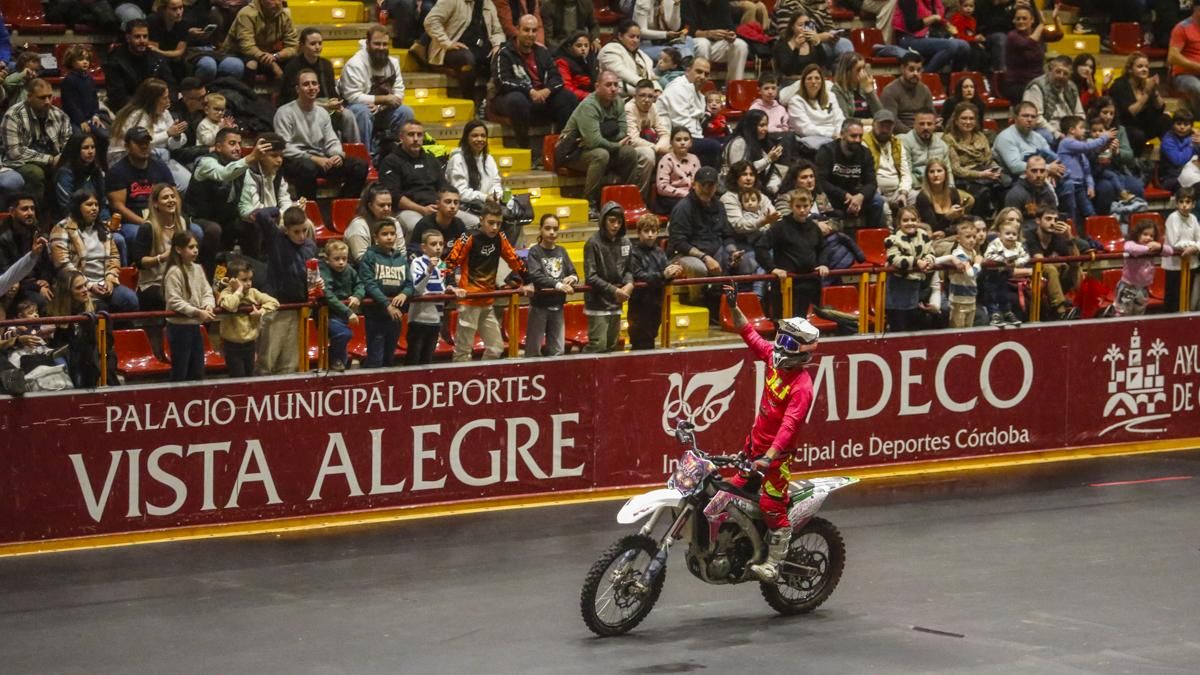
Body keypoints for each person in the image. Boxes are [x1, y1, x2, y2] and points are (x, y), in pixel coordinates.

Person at [721, 281, 820, 582]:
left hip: (775, 460)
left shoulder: (802, 387)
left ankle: (775, 563)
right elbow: (748, 333)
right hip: (753, 449)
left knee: (770, 505)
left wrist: (770, 456)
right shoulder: (773, 361)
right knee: (728, 492)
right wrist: (734, 305)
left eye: (788, 344)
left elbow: (789, 428)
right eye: (780, 339)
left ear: (802, 353)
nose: (779, 347)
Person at [559, 70, 655, 215]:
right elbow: (593, 142)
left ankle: (620, 198)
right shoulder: (589, 106)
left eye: (616, 85)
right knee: (601, 155)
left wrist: (603, 134)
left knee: (629, 152)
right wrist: (615, 143)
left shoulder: (618, 102)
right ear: (597, 86)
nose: (613, 88)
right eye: (608, 85)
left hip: (597, 147)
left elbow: (623, 131)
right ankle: (589, 203)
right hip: (572, 152)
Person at [444, 202, 527, 361]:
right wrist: (452, 285)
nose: (495, 227)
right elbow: (450, 263)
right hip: (469, 301)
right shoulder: (468, 237)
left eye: (498, 223)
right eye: (491, 223)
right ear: (481, 220)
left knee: (496, 348)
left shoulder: (500, 238)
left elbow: (515, 260)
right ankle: (463, 382)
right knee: (463, 351)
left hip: (488, 301)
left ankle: (482, 379)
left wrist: (526, 280)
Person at [275, 69, 369, 200]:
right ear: (297, 89)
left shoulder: (323, 113)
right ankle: (308, 209)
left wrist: (337, 155)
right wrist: (313, 158)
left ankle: (343, 206)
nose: (311, 87)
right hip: (295, 160)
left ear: (318, 87)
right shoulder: (284, 113)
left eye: (314, 83)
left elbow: (331, 140)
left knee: (360, 166)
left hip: (322, 159)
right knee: (308, 167)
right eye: (306, 84)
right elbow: (284, 147)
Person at [493, 14, 579, 150]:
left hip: (540, 97)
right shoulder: (504, 53)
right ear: (517, 29)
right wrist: (529, 91)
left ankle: (559, 147)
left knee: (567, 97)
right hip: (510, 98)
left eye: (534, 30)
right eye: (526, 30)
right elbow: (503, 81)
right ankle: (524, 148)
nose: (530, 34)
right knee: (517, 100)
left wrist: (547, 91)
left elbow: (557, 78)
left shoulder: (542, 52)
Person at [50, 189, 140, 314]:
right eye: (89, 204)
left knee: (130, 300)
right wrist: (89, 285)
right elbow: (63, 264)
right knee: (100, 308)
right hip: (79, 287)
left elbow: (114, 257)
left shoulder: (103, 228)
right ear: (78, 207)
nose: (94, 208)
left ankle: (115, 333)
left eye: (96, 205)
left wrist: (110, 279)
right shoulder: (62, 228)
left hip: (105, 284)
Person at [187, 131, 270, 263]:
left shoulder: (243, 167)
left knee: (251, 225)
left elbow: (244, 202)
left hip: (225, 219)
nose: (237, 148)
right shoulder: (206, 162)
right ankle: (207, 274)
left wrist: (251, 214)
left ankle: (255, 269)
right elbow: (224, 174)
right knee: (214, 229)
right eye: (232, 143)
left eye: (239, 144)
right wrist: (252, 157)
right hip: (198, 218)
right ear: (219, 147)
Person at [339, 24, 416, 157]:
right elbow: (352, 96)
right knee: (363, 111)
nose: (381, 48)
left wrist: (381, 106)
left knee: (406, 112)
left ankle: (400, 156)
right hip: (354, 110)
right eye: (377, 44)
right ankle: (366, 158)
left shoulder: (393, 63)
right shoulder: (355, 64)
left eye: (384, 44)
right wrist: (383, 99)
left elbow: (399, 93)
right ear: (368, 43)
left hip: (382, 109)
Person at [257, 205, 317, 374]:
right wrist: (279, 211)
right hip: (276, 306)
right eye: (296, 232)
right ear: (286, 230)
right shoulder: (277, 239)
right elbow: (262, 215)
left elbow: (313, 276)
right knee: (267, 359)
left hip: (297, 308)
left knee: (290, 362)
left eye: (304, 230)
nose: (302, 236)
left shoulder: (310, 246)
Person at [754, 188, 830, 318]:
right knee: (783, 326)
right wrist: (772, 268)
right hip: (785, 286)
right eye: (798, 206)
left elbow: (823, 248)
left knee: (804, 327)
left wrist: (823, 264)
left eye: (805, 206)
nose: (802, 210)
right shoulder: (779, 227)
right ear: (791, 206)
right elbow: (760, 247)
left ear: (811, 206)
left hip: (809, 285)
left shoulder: (814, 228)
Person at [108, 78, 191, 191]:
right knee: (161, 153)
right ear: (153, 100)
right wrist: (167, 133)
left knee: (188, 183)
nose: (168, 101)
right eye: (164, 98)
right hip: (127, 158)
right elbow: (138, 142)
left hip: (157, 158)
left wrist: (176, 137)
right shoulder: (135, 116)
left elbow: (173, 145)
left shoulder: (165, 113)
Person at [2, 79, 72, 208]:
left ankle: (65, 215)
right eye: (42, 97)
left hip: (54, 158)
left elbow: (68, 142)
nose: (47, 101)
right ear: (29, 97)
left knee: (70, 169)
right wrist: (50, 159)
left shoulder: (59, 115)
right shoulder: (13, 115)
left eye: (49, 97)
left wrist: (62, 157)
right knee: (36, 174)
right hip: (21, 162)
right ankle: (36, 216)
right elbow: (14, 152)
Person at [279, 28, 358, 143]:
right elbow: (289, 99)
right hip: (300, 108)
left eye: (320, 43)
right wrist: (323, 106)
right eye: (312, 44)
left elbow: (331, 91)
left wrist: (338, 104)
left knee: (348, 115)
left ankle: (355, 149)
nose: (317, 47)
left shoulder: (326, 65)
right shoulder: (292, 67)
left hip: (327, 105)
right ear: (302, 45)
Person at [423, 0, 506, 109]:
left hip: (480, 47)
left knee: (502, 56)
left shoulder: (488, 3)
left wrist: (497, 45)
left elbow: (497, 31)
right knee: (467, 59)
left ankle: (491, 105)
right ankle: (469, 102)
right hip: (451, 49)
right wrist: (447, 42)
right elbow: (431, 21)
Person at [107, 126, 177, 254]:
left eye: (146, 143)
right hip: (132, 222)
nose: (144, 146)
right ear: (127, 146)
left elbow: (174, 194)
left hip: (162, 217)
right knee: (140, 235)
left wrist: (174, 220)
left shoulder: (160, 166)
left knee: (196, 231)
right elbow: (118, 206)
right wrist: (146, 223)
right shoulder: (117, 171)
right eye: (139, 143)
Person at [46, 269, 116, 389]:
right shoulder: (51, 313)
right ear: (67, 293)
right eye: (79, 288)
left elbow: (107, 344)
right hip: (67, 362)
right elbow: (56, 347)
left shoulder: (99, 309)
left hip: (97, 359)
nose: (85, 290)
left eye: (85, 285)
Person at [379, 119, 449, 236]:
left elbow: (444, 187)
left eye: (419, 135)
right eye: (411, 135)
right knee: (419, 226)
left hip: (436, 207)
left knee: (472, 222)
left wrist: (443, 205)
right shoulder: (391, 161)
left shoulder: (431, 159)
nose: (416, 139)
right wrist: (422, 210)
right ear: (401, 137)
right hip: (407, 210)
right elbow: (394, 196)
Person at [131, 183, 195, 311]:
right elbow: (140, 262)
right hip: (154, 283)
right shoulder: (147, 228)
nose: (171, 200)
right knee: (170, 297)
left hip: (180, 278)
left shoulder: (183, 222)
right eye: (165, 198)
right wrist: (162, 257)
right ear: (155, 204)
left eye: (173, 196)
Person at [357, 217, 410, 368]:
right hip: (376, 315)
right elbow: (369, 283)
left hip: (396, 317)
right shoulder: (370, 257)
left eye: (392, 234)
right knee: (376, 358)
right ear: (376, 237)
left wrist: (404, 293)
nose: (389, 237)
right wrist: (387, 304)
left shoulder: (400, 258)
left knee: (389, 358)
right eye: (385, 234)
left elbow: (409, 283)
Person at [524, 215, 578, 357]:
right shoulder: (535, 251)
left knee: (558, 350)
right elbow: (536, 276)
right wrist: (558, 284)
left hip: (558, 306)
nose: (552, 232)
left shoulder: (562, 251)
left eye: (555, 229)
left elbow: (573, 272)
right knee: (533, 349)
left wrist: (572, 278)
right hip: (539, 306)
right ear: (540, 229)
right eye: (548, 228)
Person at [162, 231, 214, 381]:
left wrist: (208, 305)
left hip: (194, 327)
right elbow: (174, 301)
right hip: (179, 328)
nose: (196, 250)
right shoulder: (174, 272)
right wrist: (197, 312)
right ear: (178, 249)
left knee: (197, 371)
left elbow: (207, 291)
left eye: (196, 246)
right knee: (180, 371)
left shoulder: (198, 269)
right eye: (191, 247)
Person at [815, 119, 885, 231]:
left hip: (856, 196)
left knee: (878, 201)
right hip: (833, 195)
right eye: (853, 136)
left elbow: (872, 183)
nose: (857, 140)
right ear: (842, 135)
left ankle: (871, 238)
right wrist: (844, 195)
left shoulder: (865, 153)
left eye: (860, 136)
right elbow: (821, 181)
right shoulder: (827, 151)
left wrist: (860, 196)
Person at [583, 202, 633, 353]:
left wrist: (630, 284)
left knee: (612, 345)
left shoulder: (626, 242)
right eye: (612, 221)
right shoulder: (592, 243)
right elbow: (591, 276)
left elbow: (629, 269)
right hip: (598, 303)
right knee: (598, 345)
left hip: (616, 302)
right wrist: (614, 290)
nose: (616, 225)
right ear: (603, 220)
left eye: (619, 222)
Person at [216, 258, 278, 377]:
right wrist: (238, 291)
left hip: (250, 344)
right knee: (238, 377)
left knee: (250, 376)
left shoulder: (253, 293)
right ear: (232, 280)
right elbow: (230, 305)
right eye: (244, 280)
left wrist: (261, 311)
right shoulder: (226, 293)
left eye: (250, 279)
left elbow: (274, 302)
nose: (248, 283)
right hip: (232, 346)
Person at [406, 229, 460, 365]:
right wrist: (429, 269)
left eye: (441, 244)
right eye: (433, 244)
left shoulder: (443, 265)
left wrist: (450, 290)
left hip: (436, 320)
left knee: (428, 360)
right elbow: (417, 288)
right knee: (413, 359)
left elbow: (443, 288)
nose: (438, 247)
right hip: (418, 319)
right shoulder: (417, 263)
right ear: (424, 247)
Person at [628, 214, 681, 350]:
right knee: (639, 340)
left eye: (654, 231)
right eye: (646, 231)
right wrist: (664, 275)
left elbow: (665, 271)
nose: (650, 235)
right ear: (639, 233)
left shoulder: (659, 251)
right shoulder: (633, 253)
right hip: (639, 305)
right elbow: (639, 275)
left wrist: (673, 271)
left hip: (656, 303)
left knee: (651, 337)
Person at [656, 58, 722, 167]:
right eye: (699, 71)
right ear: (687, 71)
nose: (703, 77)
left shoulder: (698, 93)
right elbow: (683, 127)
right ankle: (708, 181)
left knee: (729, 140)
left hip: (691, 136)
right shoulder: (678, 88)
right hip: (674, 138)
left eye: (706, 74)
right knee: (713, 146)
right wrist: (703, 141)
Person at [238, 133, 295, 254]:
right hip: (253, 220)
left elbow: (284, 199)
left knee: (302, 222)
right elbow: (254, 208)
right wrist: (278, 219)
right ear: (261, 156)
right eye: (274, 156)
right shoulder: (249, 173)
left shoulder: (278, 172)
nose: (279, 160)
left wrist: (286, 216)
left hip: (276, 217)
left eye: (281, 156)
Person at [944, 102, 1004, 217]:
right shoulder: (949, 139)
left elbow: (989, 159)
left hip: (985, 173)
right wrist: (981, 175)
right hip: (963, 178)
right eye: (964, 118)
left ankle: (999, 220)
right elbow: (956, 169)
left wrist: (995, 170)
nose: (968, 122)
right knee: (982, 191)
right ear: (956, 121)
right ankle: (978, 222)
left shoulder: (980, 136)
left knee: (1004, 185)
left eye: (971, 118)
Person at [104, 19, 175, 112]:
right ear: (128, 38)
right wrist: (145, 107)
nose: (142, 41)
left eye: (145, 36)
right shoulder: (115, 60)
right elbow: (117, 96)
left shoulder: (157, 58)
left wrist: (167, 102)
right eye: (137, 37)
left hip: (156, 107)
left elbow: (171, 85)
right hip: (128, 110)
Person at [1108, 52, 1171, 156]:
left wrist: (1154, 91)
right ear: (1130, 69)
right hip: (1125, 127)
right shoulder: (1119, 86)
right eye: (1140, 66)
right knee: (1138, 135)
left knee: (1166, 120)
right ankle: (1134, 164)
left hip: (1143, 125)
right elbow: (1130, 113)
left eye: (1146, 67)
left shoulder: (1146, 84)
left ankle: (1168, 156)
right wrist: (1146, 94)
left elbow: (1160, 109)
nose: (1144, 69)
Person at [884, 206, 936, 332]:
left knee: (913, 324)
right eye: (905, 220)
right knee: (898, 323)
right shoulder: (892, 239)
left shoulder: (923, 236)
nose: (910, 223)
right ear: (899, 223)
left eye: (913, 219)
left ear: (918, 220)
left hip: (915, 285)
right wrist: (916, 262)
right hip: (898, 286)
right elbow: (894, 259)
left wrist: (928, 261)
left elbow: (931, 252)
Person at [1025, 206, 1081, 320]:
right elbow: (1039, 260)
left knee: (1076, 267)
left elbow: (1076, 261)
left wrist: (1069, 238)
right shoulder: (1030, 235)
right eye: (1048, 219)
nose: (1053, 223)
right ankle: (1060, 311)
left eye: (1055, 220)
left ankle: (1083, 304)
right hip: (1033, 275)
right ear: (1038, 221)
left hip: (1055, 276)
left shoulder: (1058, 236)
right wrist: (1059, 264)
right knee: (1051, 268)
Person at [0, 194, 54, 311]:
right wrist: (37, 287)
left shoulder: (38, 234)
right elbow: (8, 276)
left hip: (39, 285)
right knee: (41, 302)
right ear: (12, 212)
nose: (30, 213)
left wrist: (45, 280)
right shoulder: (3, 239)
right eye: (24, 209)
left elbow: (47, 265)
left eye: (32, 208)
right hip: (17, 287)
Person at [1056, 115, 1114, 223]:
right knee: (1071, 212)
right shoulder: (1066, 142)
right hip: (1068, 184)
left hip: (1080, 186)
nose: (1085, 130)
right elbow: (1087, 146)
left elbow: (1087, 170)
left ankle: (1095, 236)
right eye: (1081, 127)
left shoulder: (1080, 152)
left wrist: (1090, 185)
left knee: (1090, 212)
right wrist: (1105, 137)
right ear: (1072, 130)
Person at [444, 122, 502, 229]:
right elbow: (460, 192)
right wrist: (485, 197)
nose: (480, 139)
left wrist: (496, 195)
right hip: (463, 206)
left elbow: (496, 182)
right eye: (475, 136)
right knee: (480, 222)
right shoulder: (457, 160)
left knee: (514, 217)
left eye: (483, 136)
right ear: (466, 138)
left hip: (486, 206)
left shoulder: (489, 159)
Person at [317, 239, 364, 372]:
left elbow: (360, 284)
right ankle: (333, 358)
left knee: (343, 349)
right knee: (344, 334)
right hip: (328, 315)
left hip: (343, 316)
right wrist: (348, 312)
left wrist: (357, 296)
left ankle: (339, 364)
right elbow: (328, 295)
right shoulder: (323, 271)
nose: (341, 262)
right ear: (327, 259)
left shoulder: (349, 270)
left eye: (344, 258)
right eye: (336, 259)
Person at [222, 0, 297, 81]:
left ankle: (287, 91)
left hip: (266, 55)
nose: (277, 3)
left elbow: (293, 46)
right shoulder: (247, 14)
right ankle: (246, 92)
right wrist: (272, 64)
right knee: (252, 63)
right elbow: (247, 47)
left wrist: (276, 56)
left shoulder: (285, 15)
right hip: (238, 54)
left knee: (294, 62)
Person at [1001, 4, 1060, 104]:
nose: (1021, 21)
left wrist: (1055, 19)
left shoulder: (1038, 32)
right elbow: (1029, 43)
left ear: (1032, 20)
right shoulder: (1012, 36)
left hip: (1038, 82)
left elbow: (1058, 36)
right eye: (1018, 19)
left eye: (1024, 18)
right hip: (1018, 84)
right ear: (1013, 21)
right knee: (1035, 96)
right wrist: (1042, 24)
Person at [892, 0, 969, 75]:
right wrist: (933, 18)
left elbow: (936, 24)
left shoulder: (934, 2)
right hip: (908, 38)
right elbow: (912, 26)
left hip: (927, 37)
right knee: (951, 46)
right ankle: (925, 77)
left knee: (964, 46)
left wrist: (947, 26)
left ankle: (953, 81)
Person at [1113, 220, 1172, 317]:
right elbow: (1130, 249)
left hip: (1143, 289)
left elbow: (1169, 251)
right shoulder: (1131, 243)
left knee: (1139, 315)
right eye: (1145, 234)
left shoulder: (1155, 248)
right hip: (1128, 288)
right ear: (1137, 234)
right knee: (1122, 315)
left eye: (1151, 236)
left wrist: (1159, 247)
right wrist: (1149, 249)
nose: (1148, 238)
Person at [680, 0, 749, 81]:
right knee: (703, 43)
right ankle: (701, 85)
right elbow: (684, 31)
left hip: (717, 44)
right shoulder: (687, 2)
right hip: (691, 44)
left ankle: (734, 86)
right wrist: (706, 33)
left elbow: (729, 26)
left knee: (740, 45)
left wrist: (731, 35)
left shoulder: (721, 2)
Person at [721, 110, 785, 196]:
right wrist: (768, 159)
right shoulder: (739, 142)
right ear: (751, 126)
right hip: (737, 190)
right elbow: (739, 172)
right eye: (761, 125)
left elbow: (770, 170)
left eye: (766, 125)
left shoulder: (760, 142)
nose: (765, 129)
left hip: (758, 188)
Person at [1022, 56, 1084, 145]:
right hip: (1046, 129)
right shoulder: (1037, 87)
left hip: (1069, 129)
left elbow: (1079, 113)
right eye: (1058, 72)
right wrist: (1057, 134)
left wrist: (1078, 129)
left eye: (1065, 73)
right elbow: (1036, 118)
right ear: (1050, 70)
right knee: (1046, 136)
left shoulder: (1071, 87)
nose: (1061, 76)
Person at [980, 216, 1030, 326]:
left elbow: (1026, 257)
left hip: (1004, 274)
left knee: (1004, 295)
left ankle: (1007, 313)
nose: (1011, 236)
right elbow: (987, 255)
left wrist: (1016, 262)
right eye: (1007, 234)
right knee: (991, 295)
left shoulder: (1018, 245)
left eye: (1014, 234)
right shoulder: (995, 243)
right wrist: (1003, 261)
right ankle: (994, 316)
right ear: (1000, 235)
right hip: (991, 274)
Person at [789, 63, 845, 155]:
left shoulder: (831, 96)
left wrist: (839, 134)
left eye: (817, 78)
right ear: (803, 82)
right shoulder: (796, 101)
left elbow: (839, 119)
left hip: (836, 136)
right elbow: (805, 129)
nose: (813, 81)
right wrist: (832, 134)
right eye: (809, 78)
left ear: (822, 81)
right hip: (812, 139)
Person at [864, 109, 913, 213]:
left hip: (897, 191)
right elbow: (866, 175)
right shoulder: (865, 143)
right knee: (883, 207)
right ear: (873, 124)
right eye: (881, 125)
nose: (885, 130)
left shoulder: (897, 144)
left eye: (888, 126)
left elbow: (905, 173)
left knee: (917, 197)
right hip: (876, 191)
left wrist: (903, 193)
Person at [934, 222, 982, 328]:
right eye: (968, 237)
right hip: (959, 300)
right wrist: (978, 262)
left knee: (968, 331)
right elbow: (971, 274)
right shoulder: (958, 252)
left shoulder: (973, 251)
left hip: (971, 297)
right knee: (958, 333)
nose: (972, 240)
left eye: (974, 237)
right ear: (958, 238)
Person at [55, 133, 109, 225]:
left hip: (96, 221)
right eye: (85, 148)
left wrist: (106, 221)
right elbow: (66, 206)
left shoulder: (97, 170)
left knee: (117, 237)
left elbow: (102, 202)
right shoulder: (65, 172)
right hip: (73, 222)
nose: (90, 151)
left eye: (93, 147)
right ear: (76, 150)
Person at [597, 20, 661, 96]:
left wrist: (657, 90)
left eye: (638, 37)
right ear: (620, 36)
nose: (636, 40)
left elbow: (652, 77)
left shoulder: (642, 55)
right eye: (632, 36)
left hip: (644, 95)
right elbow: (622, 73)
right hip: (619, 97)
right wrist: (647, 89)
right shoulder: (610, 50)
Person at [1163, 186, 1200, 312]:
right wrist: (1193, 245)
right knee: (1173, 298)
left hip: (1191, 263)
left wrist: (1195, 247)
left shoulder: (1193, 218)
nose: (1184, 205)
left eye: (1188, 202)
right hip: (1175, 265)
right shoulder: (1173, 218)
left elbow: (1199, 239)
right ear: (1177, 203)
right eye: (1181, 202)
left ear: (1193, 204)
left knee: (1187, 297)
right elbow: (1175, 242)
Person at [60, 46, 109, 139]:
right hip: (74, 119)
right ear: (71, 61)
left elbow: (94, 99)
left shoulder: (90, 79)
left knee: (105, 135)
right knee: (79, 137)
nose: (85, 62)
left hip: (91, 118)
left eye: (87, 59)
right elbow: (70, 104)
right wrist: (81, 121)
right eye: (81, 59)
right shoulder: (69, 80)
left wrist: (95, 115)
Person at [879, 52, 934, 134]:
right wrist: (914, 134)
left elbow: (931, 114)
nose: (915, 73)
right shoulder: (890, 91)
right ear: (902, 69)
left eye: (918, 70)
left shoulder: (925, 89)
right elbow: (892, 122)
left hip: (924, 132)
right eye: (911, 69)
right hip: (901, 135)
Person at [773, 10, 834, 83]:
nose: (804, 28)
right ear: (792, 27)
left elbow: (823, 64)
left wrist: (818, 44)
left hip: (812, 82)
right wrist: (796, 49)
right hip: (791, 83)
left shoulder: (812, 43)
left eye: (807, 25)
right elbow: (788, 71)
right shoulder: (782, 44)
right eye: (800, 25)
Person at [408, 187, 468, 261]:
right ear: (438, 204)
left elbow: (464, 253)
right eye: (448, 202)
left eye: (456, 202)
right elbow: (412, 254)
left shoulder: (459, 225)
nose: (453, 206)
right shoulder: (424, 225)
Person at [915, 158, 969, 240]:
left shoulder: (953, 192)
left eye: (939, 171)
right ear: (927, 175)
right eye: (931, 172)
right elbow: (933, 229)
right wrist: (947, 217)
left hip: (952, 234)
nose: (936, 175)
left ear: (945, 174)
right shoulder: (923, 197)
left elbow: (958, 224)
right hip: (934, 238)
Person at [1003, 155, 1060, 231]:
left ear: (1046, 173)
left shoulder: (1048, 192)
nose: (1038, 175)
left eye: (1042, 171)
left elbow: (1054, 217)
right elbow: (1011, 226)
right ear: (1026, 173)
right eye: (1034, 171)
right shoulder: (1015, 194)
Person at [344, 183, 395, 263]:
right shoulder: (358, 225)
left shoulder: (394, 222)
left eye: (389, 205)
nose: (386, 208)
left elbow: (401, 254)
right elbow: (362, 260)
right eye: (381, 205)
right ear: (370, 206)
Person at [656, 127, 701, 213]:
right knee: (689, 205)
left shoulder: (695, 158)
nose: (682, 142)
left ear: (691, 143)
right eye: (678, 140)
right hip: (671, 198)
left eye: (686, 139)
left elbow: (699, 181)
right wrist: (685, 194)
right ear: (671, 143)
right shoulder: (666, 159)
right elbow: (662, 187)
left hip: (692, 195)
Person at [901, 109, 950, 187]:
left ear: (935, 125)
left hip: (940, 187)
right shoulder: (905, 142)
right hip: (916, 187)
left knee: (968, 199)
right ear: (914, 125)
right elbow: (906, 172)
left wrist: (951, 189)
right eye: (921, 124)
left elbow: (948, 171)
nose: (925, 127)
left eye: (929, 124)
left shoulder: (942, 145)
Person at [1169, 2, 1200, 117]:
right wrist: (1197, 67)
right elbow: (1172, 57)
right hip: (1184, 75)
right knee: (1197, 88)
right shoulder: (1182, 28)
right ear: (1197, 9)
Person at [831, 52, 882, 122]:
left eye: (863, 68)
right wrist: (865, 121)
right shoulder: (837, 90)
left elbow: (881, 115)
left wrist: (869, 90)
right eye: (858, 70)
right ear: (847, 72)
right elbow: (844, 119)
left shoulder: (865, 86)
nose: (863, 73)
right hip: (852, 130)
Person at [625, 79, 670, 156]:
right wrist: (657, 148)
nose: (647, 100)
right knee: (649, 154)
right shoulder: (629, 108)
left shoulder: (653, 107)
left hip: (651, 144)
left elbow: (664, 133)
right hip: (632, 148)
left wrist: (660, 147)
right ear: (635, 96)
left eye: (650, 96)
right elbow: (633, 139)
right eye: (642, 95)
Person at [1158, 110, 1199, 193]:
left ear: (1191, 126)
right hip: (1172, 178)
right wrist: (1192, 144)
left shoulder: (1196, 137)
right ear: (1173, 125)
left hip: (1194, 172)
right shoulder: (1167, 140)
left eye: (1186, 124)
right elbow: (1178, 160)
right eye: (1179, 124)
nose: (1182, 127)